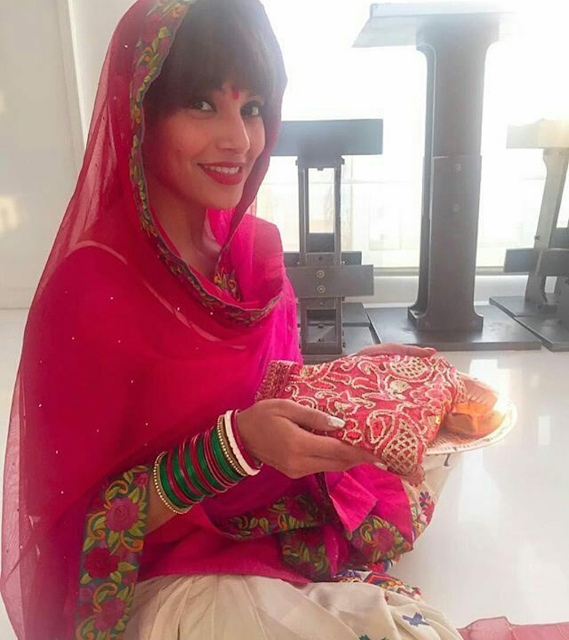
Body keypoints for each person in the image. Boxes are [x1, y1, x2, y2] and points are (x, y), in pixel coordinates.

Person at [0, 1, 488, 638]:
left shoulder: (249, 256)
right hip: (160, 572)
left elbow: (271, 390)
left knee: (432, 454)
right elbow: (85, 528)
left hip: (262, 519)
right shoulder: (92, 286)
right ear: (141, 113)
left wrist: (354, 381)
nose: (239, 140)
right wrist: (235, 449)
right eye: (203, 104)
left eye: (252, 107)